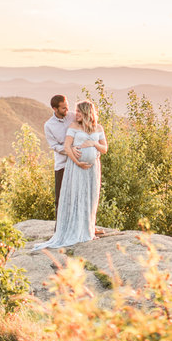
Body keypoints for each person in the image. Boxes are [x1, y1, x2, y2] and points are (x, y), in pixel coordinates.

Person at [35, 100, 108, 249]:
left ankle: (89, 227)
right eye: (75, 111)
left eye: (78, 112)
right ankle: (67, 228)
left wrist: (93, 144)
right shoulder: (70, 126)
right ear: (55, 108)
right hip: (74, 167)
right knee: (72, 197)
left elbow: (104, 149)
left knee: (90, 197)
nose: (75, 114)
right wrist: (78, 161)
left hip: (92, 170)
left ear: (86, 112)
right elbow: (66, 147)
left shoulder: (98, 128)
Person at [44, 94, 75, 225]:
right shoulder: (49, 125)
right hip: (62, 165)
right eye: (63, 108)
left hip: (77, 163)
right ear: (55, 109)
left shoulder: (73, 116)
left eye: (67, 107)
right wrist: (69, 149)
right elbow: (54, 146)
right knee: (60, 198)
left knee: (76, 196)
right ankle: (60, 227)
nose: (66, 110)